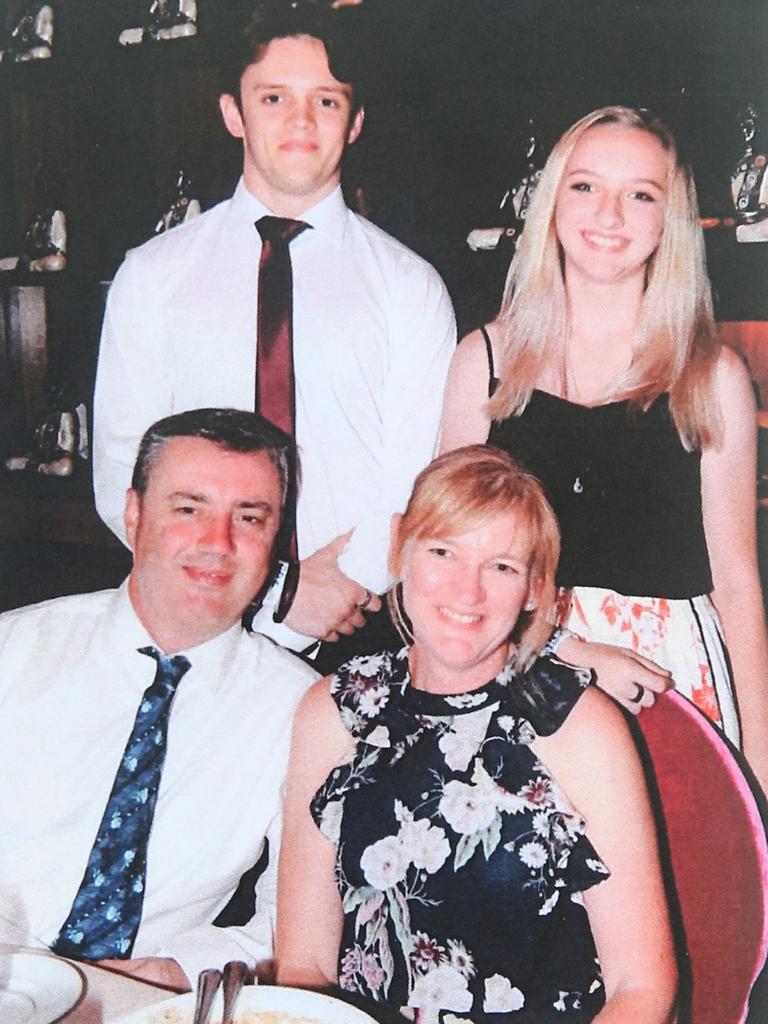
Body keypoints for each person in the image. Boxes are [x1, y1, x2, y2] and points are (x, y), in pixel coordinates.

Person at [93, 0, 456, 654]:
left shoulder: (410, 288)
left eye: (325, 101)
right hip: (196, 615)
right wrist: (274, 596)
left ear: (356, 123)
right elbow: (124, 471)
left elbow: (417, 478)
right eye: (273, 97)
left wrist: (338, 590)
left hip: (363, 628)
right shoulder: (151, 278)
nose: (300, 120)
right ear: (233, 113)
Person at [277, 446, 677, 1024]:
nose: (468, 593)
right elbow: (304, 966)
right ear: (399, 548)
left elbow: (641, 987)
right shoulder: (336, 711)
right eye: (443, 552)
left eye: (503, 567)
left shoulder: (575, 726)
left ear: (536, 589)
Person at [439, 106, 768, 794]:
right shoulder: (484, 361)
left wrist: (760, 773)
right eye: (586, 186)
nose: (609, 214)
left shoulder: (712, 377)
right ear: (552, 199)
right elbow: (439, 563)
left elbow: (737, 585)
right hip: (513, 665)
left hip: (672, 686)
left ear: (668, 219)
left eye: (640, 194)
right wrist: (567, 653)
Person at [0, 408, 318, 990]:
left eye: (248, 518)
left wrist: (181, 967)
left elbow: (300, 917)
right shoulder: (12, 651)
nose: (217, 543)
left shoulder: (303, 712)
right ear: (133, 514)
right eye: (188, 509)